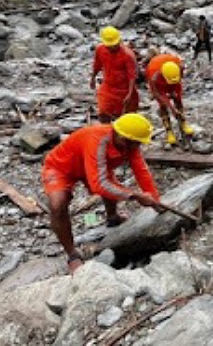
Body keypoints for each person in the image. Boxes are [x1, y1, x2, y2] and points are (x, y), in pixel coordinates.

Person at [41, 113, 161, 273]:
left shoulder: (131, 145)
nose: (134, 149)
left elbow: (142, 172)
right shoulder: (98, 140)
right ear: (120, 136)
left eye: (137, 145)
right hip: (62, 167)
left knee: (110, 184)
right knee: (57, 205)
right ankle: (72, 254)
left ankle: (112, 217)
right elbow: (99, 184)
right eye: (131, 144)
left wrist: (155, 200)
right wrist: (135, 196)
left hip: (94, 166)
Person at [90, 26, 139, 123]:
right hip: (108, 86)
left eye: (115, 45)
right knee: (103, 112)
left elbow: (132, 76)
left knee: (126, 118)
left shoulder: (128, 55)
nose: (112, 47)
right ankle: (106, 131)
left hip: (124, 89)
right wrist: (93, 78)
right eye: (110, 45)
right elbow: (97, 65)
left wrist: (129, 94)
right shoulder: (100, 50)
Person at [145, 53, 194, 145]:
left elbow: (180, 77)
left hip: (174, 79)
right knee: (163, 105)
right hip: (160, 86)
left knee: (178, 99)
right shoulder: (154, 76)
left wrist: (174, 93)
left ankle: (183, 122)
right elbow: (158, 94)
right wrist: (172, 108)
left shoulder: (179, 66)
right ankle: (169, 131)